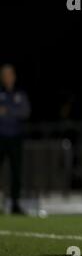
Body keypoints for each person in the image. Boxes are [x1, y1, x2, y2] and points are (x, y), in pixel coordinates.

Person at [0, 64, 31, 214]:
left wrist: (7, 111)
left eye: (10, 74)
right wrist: (13, 111)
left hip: (16, 138)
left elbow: (25, 112)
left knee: (16, 173)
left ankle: (15, 204)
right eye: (4, 75)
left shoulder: (20, 93)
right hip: (1, 138)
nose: (7, 77)